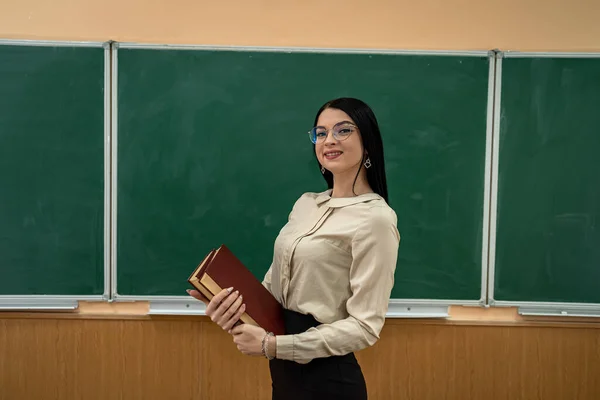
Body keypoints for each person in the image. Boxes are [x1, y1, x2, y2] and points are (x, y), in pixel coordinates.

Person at [187, 97, 400, 400]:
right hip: (284, 377)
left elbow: (365, 326)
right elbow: (273, 290)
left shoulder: (376, 219)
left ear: (367, 143)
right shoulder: (306, 204)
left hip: (329, 382)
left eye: (343, 131)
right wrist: (230, 305)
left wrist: (273, 347)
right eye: (321, 132)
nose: (329, 140)